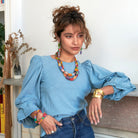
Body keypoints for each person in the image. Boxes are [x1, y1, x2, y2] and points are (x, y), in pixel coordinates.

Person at [15, 5, 136, 138]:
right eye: (69, 36)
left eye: (80, 35)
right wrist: (40, 117)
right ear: (58, 37)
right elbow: (25, 100)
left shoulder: (86, 69)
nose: (76, 41)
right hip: (56, 129)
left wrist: (99, 93)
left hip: (83, 126)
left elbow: (123, 81)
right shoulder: (41, 64)